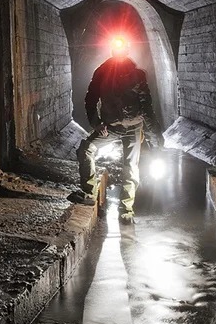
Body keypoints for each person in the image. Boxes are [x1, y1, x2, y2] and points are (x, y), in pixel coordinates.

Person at [70, 36, 164, 224]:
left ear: (127, 50)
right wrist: (96, 123)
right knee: (86, 149)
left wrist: (155, 137)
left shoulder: (138, 75)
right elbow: (90, 99)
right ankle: (89, 193)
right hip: (110, 127)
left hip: (133, 127)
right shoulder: (102, 72)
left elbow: (146, 108)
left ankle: (126, 210)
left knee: (130, 167)